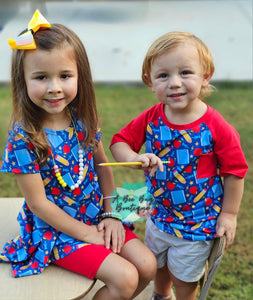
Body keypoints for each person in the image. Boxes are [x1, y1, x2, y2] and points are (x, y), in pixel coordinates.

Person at [0, 10, 156, 300]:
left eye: (64, 75)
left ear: (79, 76)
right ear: (22, 80)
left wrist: (112, 215)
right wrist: (86, 235)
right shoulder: (23, 137)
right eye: (41, 77)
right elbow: (38, 204)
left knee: (147, 266)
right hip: (56, 229)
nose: (54, 87)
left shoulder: (82, 119)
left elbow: (103, 168)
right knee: (125, 279)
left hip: (97, 215)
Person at [110, 31, 248, 300]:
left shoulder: (217, 126)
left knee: (184, 279)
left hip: (197, 224)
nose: (174, 83)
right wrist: (135, 158)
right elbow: (119, 142)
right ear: (150, 82)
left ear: (205, 76)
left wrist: (229, 215)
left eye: (185, 72)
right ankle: (161, 296)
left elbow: (234, 172)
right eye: (163, 75)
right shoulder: (152, 117)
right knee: (158, 265)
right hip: (157, 214)